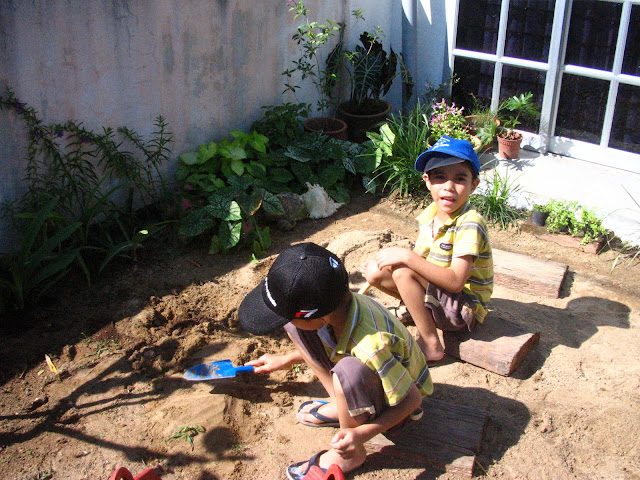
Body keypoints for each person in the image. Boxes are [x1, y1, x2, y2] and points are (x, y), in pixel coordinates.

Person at [238, 242, 432, 479]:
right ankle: (342, 406)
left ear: (317, 319)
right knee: (294, 326)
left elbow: (412, 400)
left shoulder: (371, 346)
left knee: (347, 371)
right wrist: (285, 359)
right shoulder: (337, 305)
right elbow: (328, 340)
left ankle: (350, 454)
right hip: (371, 372)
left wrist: (360, 434)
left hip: (398, 405)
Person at [361, 135, 493, 362]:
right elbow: (422, 262)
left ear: (474, 185)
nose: (449, 187)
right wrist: (401, 260)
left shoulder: (470, 222)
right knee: (375, 271)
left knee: (403, 271)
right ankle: (419, 312)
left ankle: (431, 343)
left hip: (463, 308)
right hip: (444, 297)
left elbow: (455, 282)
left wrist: (406, 257)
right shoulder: (430, 215)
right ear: (427, 180)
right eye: (440, 177)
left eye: (460, 178)